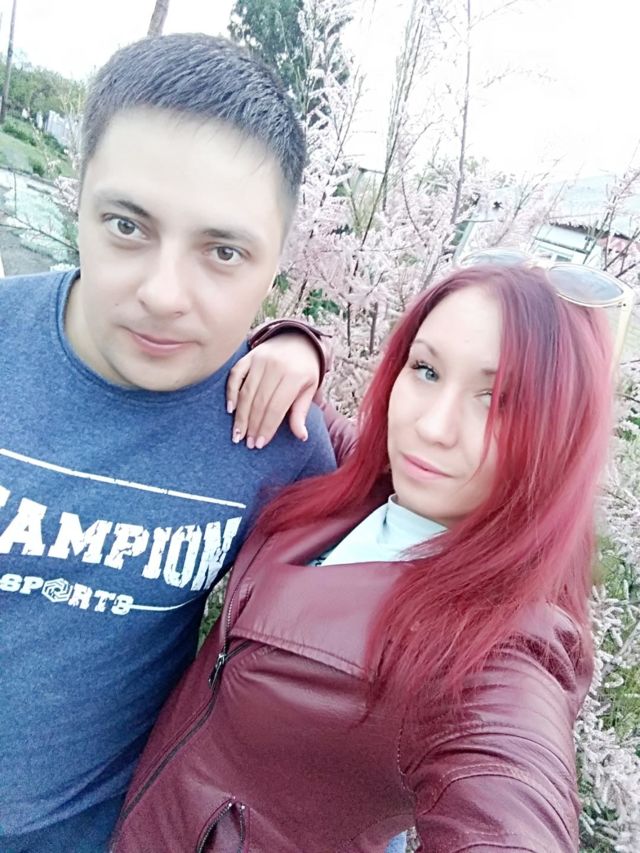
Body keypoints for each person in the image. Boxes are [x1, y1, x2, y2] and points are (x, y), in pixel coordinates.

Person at [111, 261, 614, 852]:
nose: (433, 427)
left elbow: (510, 799)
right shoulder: (371, 486)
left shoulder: (496, 652)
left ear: (564, 432)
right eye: (426, 370)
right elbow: (292, 397)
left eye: (499, 400)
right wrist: (296, 344)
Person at [0, 33, 338, 853]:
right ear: (77, 200)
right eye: (127, 226)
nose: (162, 293)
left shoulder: (277, 441)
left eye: (223, 252)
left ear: (276, 266)